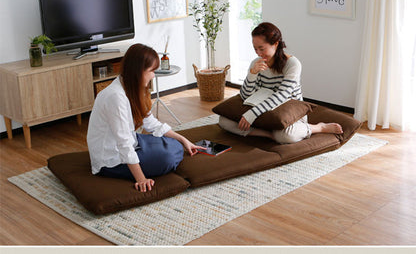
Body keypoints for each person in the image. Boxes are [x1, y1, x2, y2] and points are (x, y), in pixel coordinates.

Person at [87, 43, 205, 192]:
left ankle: (169, 147)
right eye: (151, 71)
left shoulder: (131, 88)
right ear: (138, 71)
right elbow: (124, 144)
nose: (153, 75)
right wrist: (141, 179)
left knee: (174, 144)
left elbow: (151, 123)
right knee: (169, 156)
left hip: (132, 141)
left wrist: (183, 140)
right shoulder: (115, 97)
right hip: (111, 161)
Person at [219, 22, 343, 143]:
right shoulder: (256, 63)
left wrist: (252, 114)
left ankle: (318, 127)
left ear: (276, 44)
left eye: (261, 48)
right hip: (263, 112)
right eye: (255, 49)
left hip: (288, 115)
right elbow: (245, 96)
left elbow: (282, 95)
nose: (258, 53)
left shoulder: (293, 64)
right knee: (224, 121)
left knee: (286, 135)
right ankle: (269, 135)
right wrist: (252, 74)